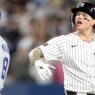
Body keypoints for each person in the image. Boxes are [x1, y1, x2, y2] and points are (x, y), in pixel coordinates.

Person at [29, 2, 95, 95]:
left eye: (84, 15)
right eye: (78, 15)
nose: (79, 17)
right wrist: (37, 62)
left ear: (93, 21)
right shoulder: (64, 41)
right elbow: (34, 53)